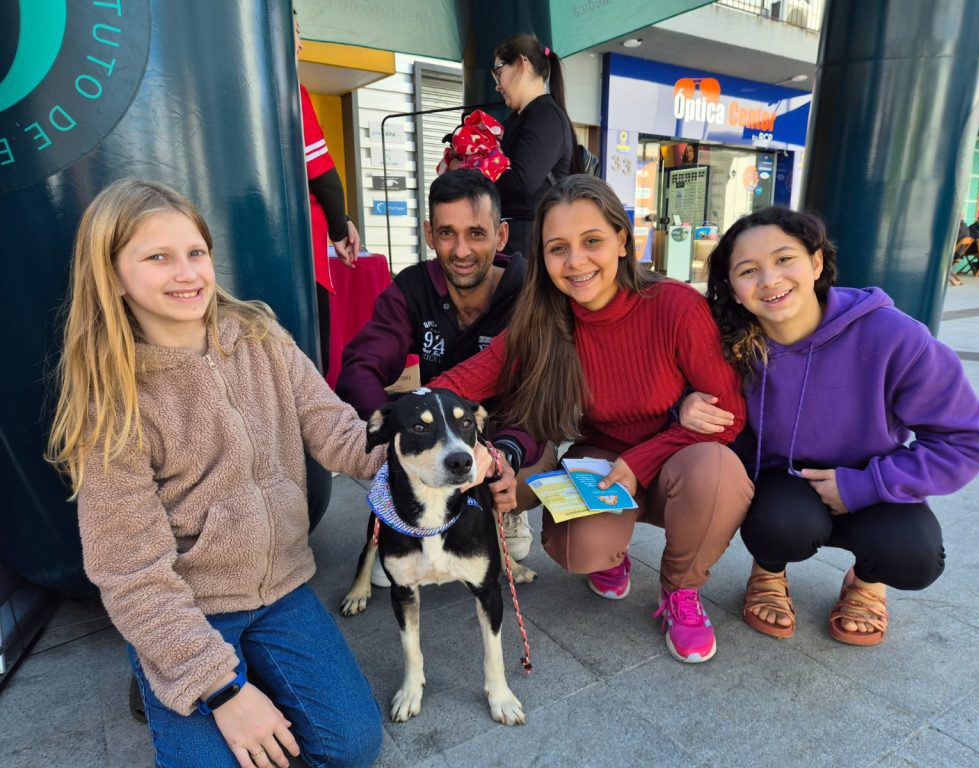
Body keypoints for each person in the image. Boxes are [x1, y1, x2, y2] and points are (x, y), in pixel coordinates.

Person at [46, 180, 492, 767]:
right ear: (111, 272)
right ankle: (170, 660)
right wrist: (223, 690)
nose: (186, 273)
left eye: (195, 252)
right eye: (157, 257)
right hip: (189, 604)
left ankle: (219, 666)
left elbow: (333, 428)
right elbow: (129, 571)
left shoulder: (260, 337)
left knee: (352, 746)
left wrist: (430, 458)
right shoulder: (115, 403)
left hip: (281, 589)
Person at [432, 175, 753, 664]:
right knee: (578, 549)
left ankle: (680, 590)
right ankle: (613, 549)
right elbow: (471, 377)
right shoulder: (543, 319)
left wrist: (642, 461)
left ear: (623, 241)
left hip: (679, 458)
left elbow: (728, 416)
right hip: (601, 458)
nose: (576, 262)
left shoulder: (675, 306)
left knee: (719, 474)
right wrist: (398, 417)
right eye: (558, 247)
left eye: (592, 241)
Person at [684, 206, 979, 646]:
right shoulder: (733, 342)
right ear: (733, 290)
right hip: (783, 484)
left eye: (784, 259)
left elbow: (967, 442)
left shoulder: (893, 336)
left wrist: (866, 485)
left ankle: (868, 583)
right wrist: (685, 405)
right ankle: (769, 571)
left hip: (873, 480)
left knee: (914, 557)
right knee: (778, 526)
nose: (769, 279)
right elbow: (668, 391)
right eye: (748, 270)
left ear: (815, 263)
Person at [337, 169, 556, 562]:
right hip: (434, 430)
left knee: (538, 452)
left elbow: (541, 401)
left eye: (476, 233)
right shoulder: (411, 287)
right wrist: (393, 439)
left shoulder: (530, 295)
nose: (460, 250)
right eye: (446, 233)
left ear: (501, 235)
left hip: (506, 426)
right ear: (428, 233)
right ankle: (403, 517)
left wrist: (504, 454)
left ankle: (506, 511)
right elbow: (360, 368)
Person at [294, 11, 362, 371]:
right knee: (308, 368)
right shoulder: (288, 89)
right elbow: (321, 173)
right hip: (301, 258)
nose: (301, 44)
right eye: (295, 32)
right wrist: (341, 226)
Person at [489, 33, 575, 256]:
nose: (498, 86)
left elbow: (522, 183)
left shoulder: (545, 115)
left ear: (521, 63)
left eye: (498, 73)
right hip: (515, 238)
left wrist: (479, 171)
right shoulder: (521, 117)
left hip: (527, 244)